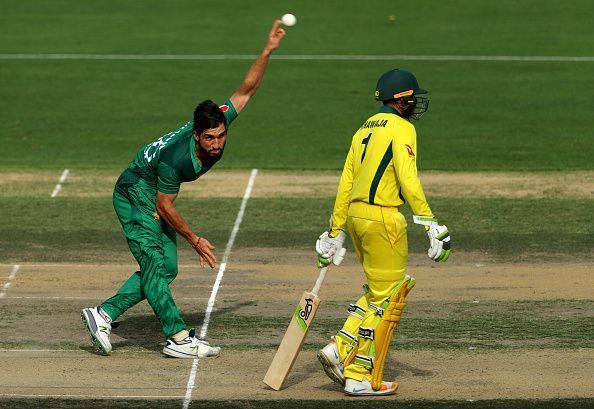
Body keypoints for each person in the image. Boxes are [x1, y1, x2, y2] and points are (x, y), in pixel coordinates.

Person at [81, 20, 287, 358]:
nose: (217, 143)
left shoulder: (216, 120)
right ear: (196, 135)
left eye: (221, 135)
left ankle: (103, 314)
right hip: (135, 193)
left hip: (149, 193)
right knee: (152, 263)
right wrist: (195, 239)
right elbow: (164, 206)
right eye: (210, 138)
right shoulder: (176, 160)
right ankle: (177, 337)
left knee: (167, 269)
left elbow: (246, 89)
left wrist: (267, 50)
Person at [314, 68, 451, 395]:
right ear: (401, 99)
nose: (416, 102)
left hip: (358, 219)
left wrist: (336, 229)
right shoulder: (401, 128)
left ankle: (340, 347)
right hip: (383, 219)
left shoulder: (363, 129)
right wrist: (429, 222)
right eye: (413, 97)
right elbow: (407, 177)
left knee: (378, 291)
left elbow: (346, 182)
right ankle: (360, 376)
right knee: (391, 299)